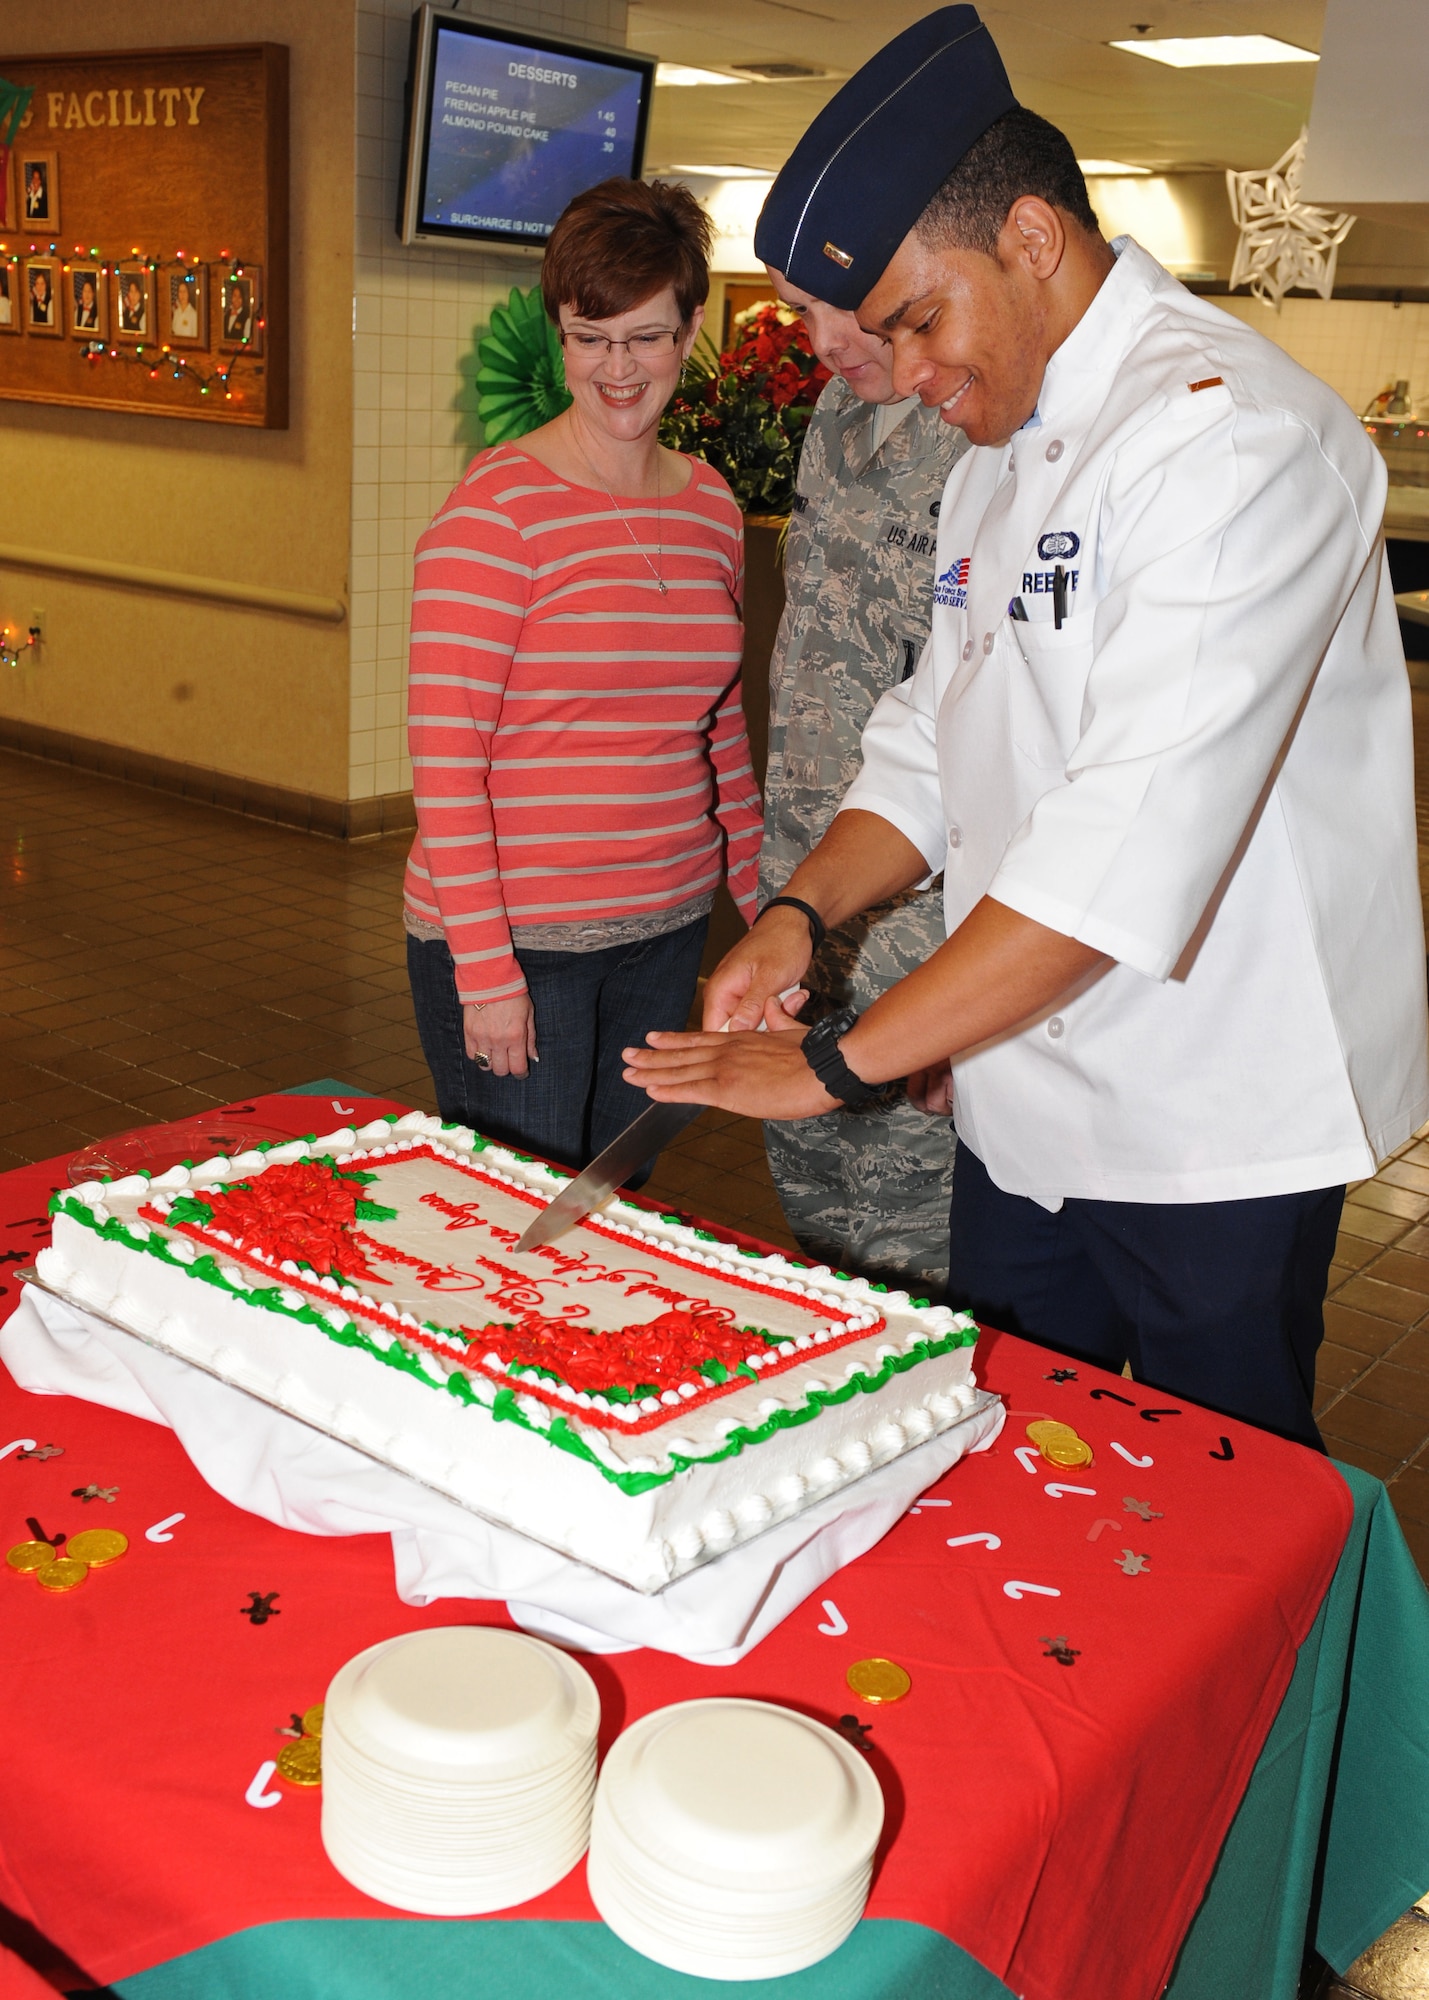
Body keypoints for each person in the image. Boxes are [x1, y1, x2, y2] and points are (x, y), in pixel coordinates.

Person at [624, 6, 1429, 1451]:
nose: (911, 372)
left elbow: (1125, 844)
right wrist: (803, 911)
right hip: (1026, 1095)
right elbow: (937, 731)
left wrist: (833, 1065)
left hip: (1210, 1121)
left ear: (1035, 240)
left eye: (920, 320)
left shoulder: (1231, 438)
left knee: (1207, 1513)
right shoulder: (1008, 442)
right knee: (1021, 1460)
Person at [404, 176, 763, 1176]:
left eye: (644, 336)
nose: (616, 367)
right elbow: (445, 761)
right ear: (558, 334)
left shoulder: (710, 505)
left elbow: (718, 732)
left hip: (665, 927)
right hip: (520, 945)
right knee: (516, 1221)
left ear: (692, 329)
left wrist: (770, 909)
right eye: (588, 336)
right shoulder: (495, 514)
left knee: (617, 1204)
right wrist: (485, 971)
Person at [750, 262, 967, 1290]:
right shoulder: (834, 417)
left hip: (925, 926)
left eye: (844, 304)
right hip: (803, 891)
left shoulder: (981, 429)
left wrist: (978, 1015)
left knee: (918, 1253)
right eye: (800, 310)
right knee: (816, 1228)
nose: (827, 337)